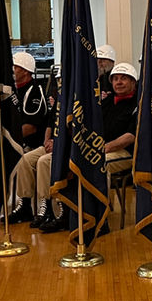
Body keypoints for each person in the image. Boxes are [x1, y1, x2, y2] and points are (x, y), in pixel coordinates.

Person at [36, 62, 139, 234]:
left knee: (96, 165)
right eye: (115, 79)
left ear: (133, 83)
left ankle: (100, 216)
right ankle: (60, 210)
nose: (119, 82)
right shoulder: (105, 103)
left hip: (121, 152)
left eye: (124, 79)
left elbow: (131, 136)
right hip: (98, 148)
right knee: (48, 161)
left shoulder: (138, 105)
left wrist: (104, 148)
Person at [5, 51, 48, 223]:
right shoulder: (13, 91)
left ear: (26, 71)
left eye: (16, 67)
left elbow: (30, 128)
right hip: (15, 140)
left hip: (32, 143)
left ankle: (25, 203)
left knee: (21, 158)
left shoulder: (34, 91)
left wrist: (7, 138)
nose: (13, 70)